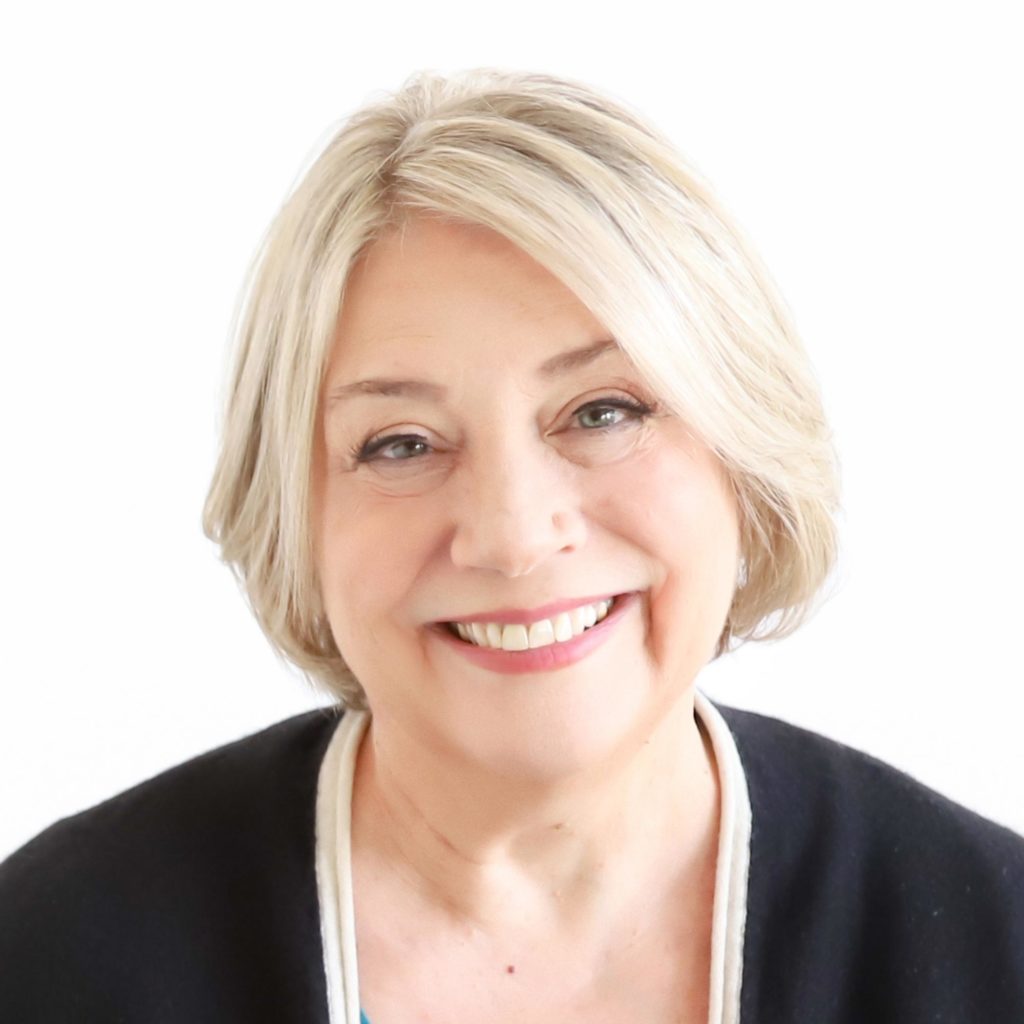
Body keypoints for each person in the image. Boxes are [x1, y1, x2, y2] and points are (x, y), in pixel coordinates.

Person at [1, 68, 1022, 1024]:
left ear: (741, 450)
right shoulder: (56, 954)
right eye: (399, 442)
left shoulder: (993, 945)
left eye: (603, 410)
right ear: (296, 513)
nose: (515, 536)